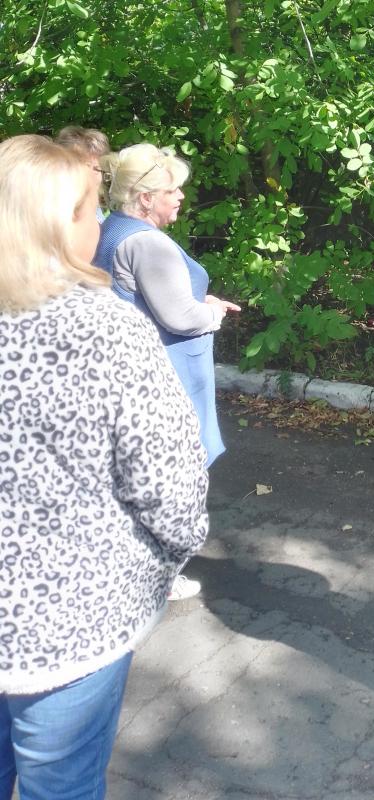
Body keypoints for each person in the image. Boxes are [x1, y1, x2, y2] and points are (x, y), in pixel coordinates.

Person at [0, 135, 209, 800]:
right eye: (92, 208)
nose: (101, 223)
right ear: (59, 221)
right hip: (65, 624)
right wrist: (167, 558)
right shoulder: (104, 330)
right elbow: (169, 488)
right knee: (59, 786)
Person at [94, 144, 240, 600]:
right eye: (170, 190)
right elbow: (180, 317)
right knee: (175, 474)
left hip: (138, 367)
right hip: (169, 373)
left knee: (137, 471)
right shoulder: (146, 242)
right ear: (143, 198)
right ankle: (158, 575)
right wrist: (213, 311)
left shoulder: (110, 228)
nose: (179, 197)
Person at [54, 125, 110, 220]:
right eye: (85, 167)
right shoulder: (56, 211)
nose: (91, 176)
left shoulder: (93, 205)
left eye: (97, 169)